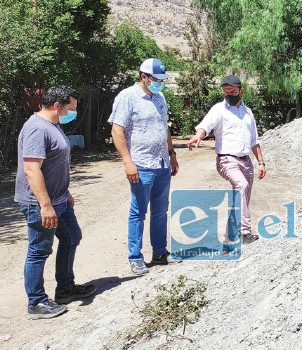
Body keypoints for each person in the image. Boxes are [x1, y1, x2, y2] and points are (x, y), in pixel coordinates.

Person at [15, 85, 96, 320]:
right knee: (39, 250)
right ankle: (36, 302)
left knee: (72, 237)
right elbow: (31, 169)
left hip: (60, 199)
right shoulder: (36, 129)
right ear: (57, 106)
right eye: (71, 108)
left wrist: (65, 192)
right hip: (39, 203)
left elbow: (55, 164)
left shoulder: (53, 125)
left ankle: (65, 289)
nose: (74, 113)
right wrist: (45, 205)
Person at [109, 58, 180, 275]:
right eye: (156, 79)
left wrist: (172, 154)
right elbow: (117, 130)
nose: (160, 83)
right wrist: (128, 162)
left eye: (162, 80)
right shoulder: (127, 97)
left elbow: (164, 128)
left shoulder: (160, 98)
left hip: (161, 164)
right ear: (144, 77)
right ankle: (135, 257)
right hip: (141, 165)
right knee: (138, 212)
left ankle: (159, 252)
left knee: (160, 211)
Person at [187, 75, 266, 244]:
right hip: (227, 160)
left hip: (246, 161)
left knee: (242, 196)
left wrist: (260, 162)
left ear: (241, 91)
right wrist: (198, 136)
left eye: (232, 91)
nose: (229, 94)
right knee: (241, 186)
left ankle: (232, 233)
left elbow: (254, 140)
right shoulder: (219, 109)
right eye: (226, 91)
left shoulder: (247, 112)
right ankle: (244, 232)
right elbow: (205, 125)